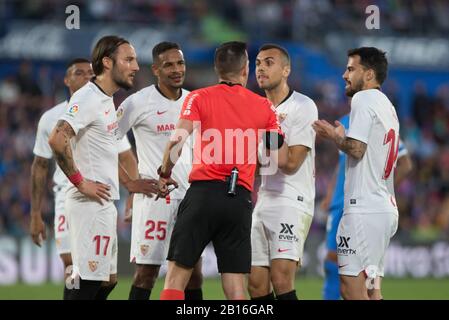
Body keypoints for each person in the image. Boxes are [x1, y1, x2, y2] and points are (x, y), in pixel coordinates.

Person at [157, 41, 288, 300]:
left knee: (176, 278)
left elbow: (176, 142)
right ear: (245, 69)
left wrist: (164, 172)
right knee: (235, 286)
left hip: (203, 195)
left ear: (217, 68)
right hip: (239, 199)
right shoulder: (264, 106)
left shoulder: (198, 97)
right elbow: (275, 150)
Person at [48, 35, 141, 300]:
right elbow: (57, 138)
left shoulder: (106, 99)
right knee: (87, 282)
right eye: (129, 59)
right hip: (89, 204)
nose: (135, 66)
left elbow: (106, 152)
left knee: (107, 281)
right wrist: (80, 181)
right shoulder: (87, 97)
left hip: (103, 202)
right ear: (108, 62)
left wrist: (131, 185)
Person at [116, 41, 203, 300]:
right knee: (146, 273)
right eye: (169, 65)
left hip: (190, 199)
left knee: (193, 274)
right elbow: (104, 141)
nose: (177, 70)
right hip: (155, 199)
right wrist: (129, 183)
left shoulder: (194, 100)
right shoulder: (137, 103)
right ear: (156, 69)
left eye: (180, 63)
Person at [313, 47, 400, 300]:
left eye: (351, 69)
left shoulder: (363, 99)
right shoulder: (388, 106)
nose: (344, 75)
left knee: (352, 290)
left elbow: (357, 149)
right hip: (383, 208)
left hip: (364, 209)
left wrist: (335, 136)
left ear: (369, 74)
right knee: (373, 291)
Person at [248, 44, 317, 300]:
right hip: (264, 199)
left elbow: (291, 163)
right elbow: (255, 166)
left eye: (269, 62)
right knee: (255, 284)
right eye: (257, 63)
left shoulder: (303, 105)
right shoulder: (255, 108)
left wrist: (269, 124)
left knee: (281, 278)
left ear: (286, 70)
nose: (261, 68)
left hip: (292, 199)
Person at [321, 113, 412, 300]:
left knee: (363, 271)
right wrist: (331, 192)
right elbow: (342, 164)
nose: (347, 81)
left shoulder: (377, 119)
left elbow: (405, 164)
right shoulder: (346, 120)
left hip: (363, 203)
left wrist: (382, 190)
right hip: (341, 203)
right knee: (335, 261)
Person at [30, 58, 93, 299]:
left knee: (105, 277)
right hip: (67, 195)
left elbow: (122, 155)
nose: (87, 77)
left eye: (91, 73)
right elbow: (39, 166)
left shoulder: (105, 112)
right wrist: (36, 214)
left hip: (99, 196)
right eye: (79, 73)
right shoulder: (51, 118)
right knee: (71, 263)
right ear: (67, 80)